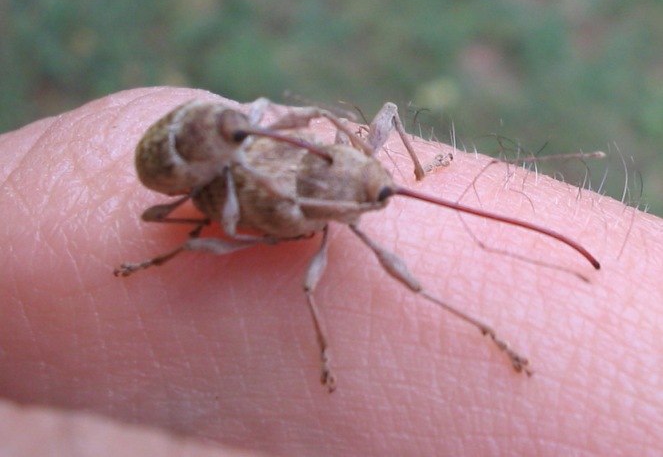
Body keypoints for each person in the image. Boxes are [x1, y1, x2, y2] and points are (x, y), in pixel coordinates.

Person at [0, 87, 660, 456]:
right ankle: (164, 253)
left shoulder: (331, 176)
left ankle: (166, 249)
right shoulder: (290, 184)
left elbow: (369, 128)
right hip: (226, 185)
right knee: (263, 255)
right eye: (379, 193)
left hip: (238, 179)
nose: (383, 196)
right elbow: (288, 244)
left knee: (267, 241)